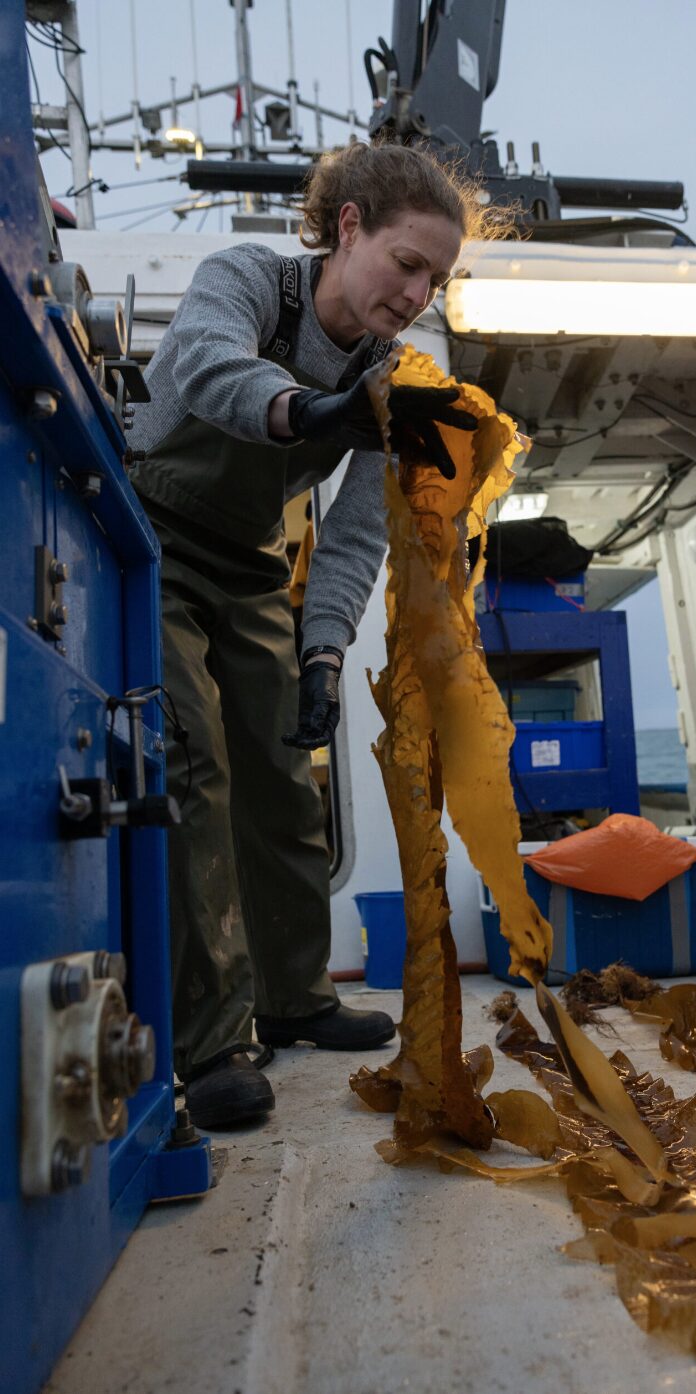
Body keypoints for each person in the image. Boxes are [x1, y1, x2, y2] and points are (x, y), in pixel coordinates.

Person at [129, 140, 494, 1129]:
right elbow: (205, 366)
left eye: (437, 278)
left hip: (248, 563)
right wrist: (302, 408)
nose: (417, 291)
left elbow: (351, 536)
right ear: (346, 228)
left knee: (285, 777)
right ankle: (213, 1041)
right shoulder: (249, 279)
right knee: (194, 763)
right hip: (146, 535)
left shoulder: (395, 382)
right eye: (405, 262)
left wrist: (323, 651)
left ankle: (295, 996)